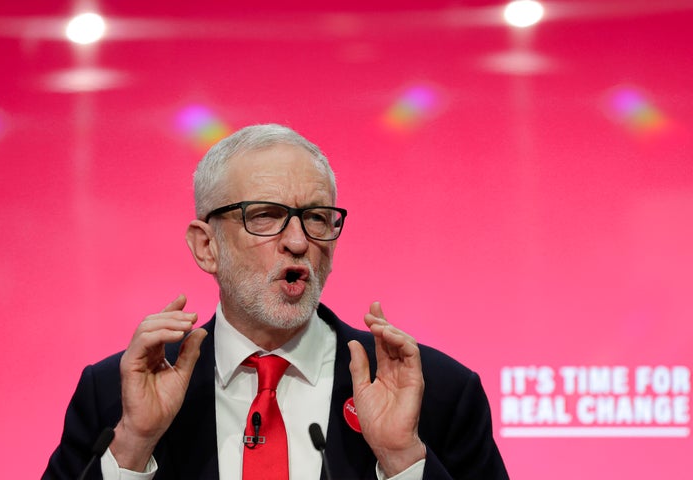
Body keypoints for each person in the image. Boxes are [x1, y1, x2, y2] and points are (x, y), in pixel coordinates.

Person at [44, 124, 508, 479]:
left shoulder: (438, 391)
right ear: (206, 247)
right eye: (265, 216)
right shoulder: (114, 395)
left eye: (317, 218)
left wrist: (403, 459)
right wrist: (133, 445)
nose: (298, 242)